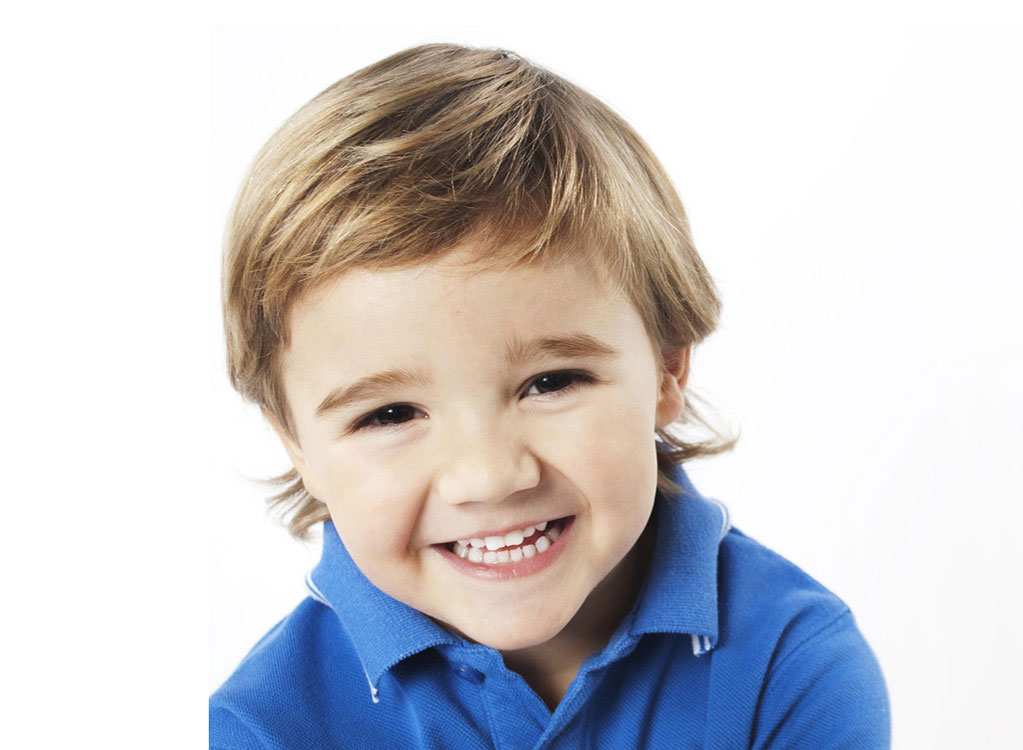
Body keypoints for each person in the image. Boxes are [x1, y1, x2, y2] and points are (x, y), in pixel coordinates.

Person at [210, 43, 890, 748]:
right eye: (389, 414)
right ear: (295, 444)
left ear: (666, 367)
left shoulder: (791, 666)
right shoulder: (263, 726)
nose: (489, 476)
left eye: (550, 382)